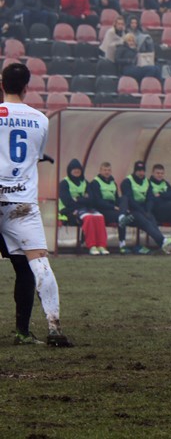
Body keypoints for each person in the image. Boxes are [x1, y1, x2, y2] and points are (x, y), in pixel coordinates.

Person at [0, 63, 74, 346]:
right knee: (36, 264)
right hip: (21, 204)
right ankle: (52, 328)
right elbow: (34, 155)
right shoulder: (40, 119)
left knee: (25, 269)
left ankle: (24, 332)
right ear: (27, 87)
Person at [58, 159, 109, 255]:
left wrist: (77, 199)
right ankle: (92, 246)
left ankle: (102, 245)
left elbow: (91, 199)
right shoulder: (64, 183)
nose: (76, 171)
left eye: (78, 169)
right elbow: (67, 201)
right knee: (88, 218)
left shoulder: (85, 182)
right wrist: (83, 199)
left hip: (86, 208)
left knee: (100, 217)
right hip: (68, 211)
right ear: (69, 170)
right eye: (74, 169)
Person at [119, 161, 169, 254]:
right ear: (135, 171)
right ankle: (163, 240)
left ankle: (163, 245)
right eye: (139, 171)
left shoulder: (147, 182)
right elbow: (129, 200)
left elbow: (150, 198)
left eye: (143, 171)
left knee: (151, 217)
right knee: (143, 219)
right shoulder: (127, 182)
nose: (141, 173)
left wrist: (148, 211)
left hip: (143, 210)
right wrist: (143, 212)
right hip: (130, 213)